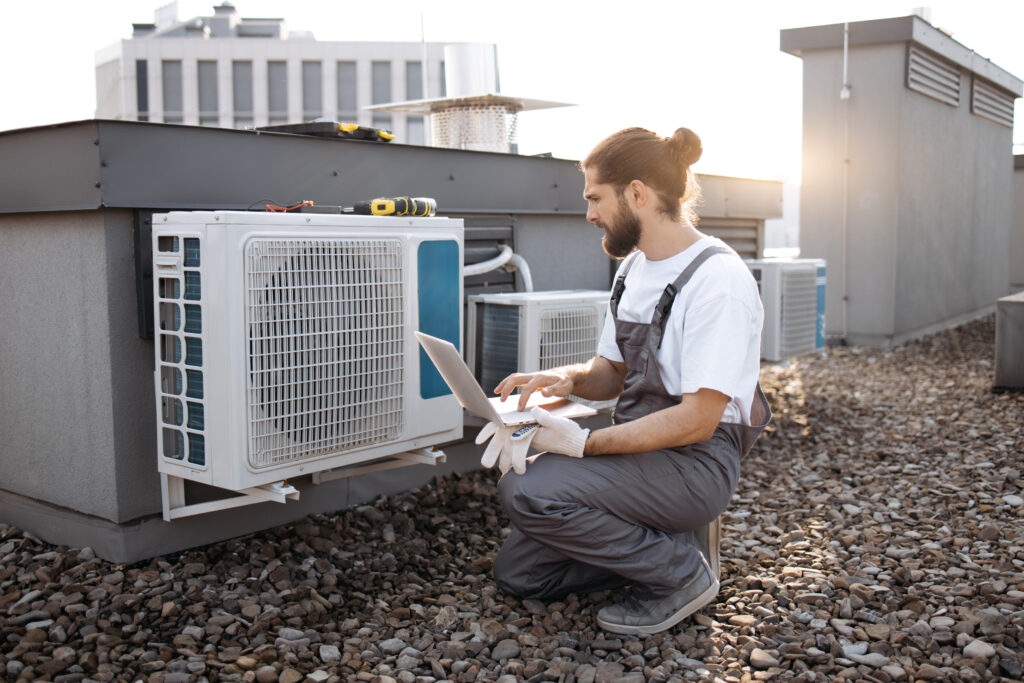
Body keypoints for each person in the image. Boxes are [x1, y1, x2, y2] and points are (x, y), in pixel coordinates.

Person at [475, 126, 771, 635]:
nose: (589, 214)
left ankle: (682, 575)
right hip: (639, 452)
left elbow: (699, 419)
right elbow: (609, 374)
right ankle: (667, 542)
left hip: (694, 463)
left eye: (595, 198)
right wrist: (561, 380)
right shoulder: (634, 268)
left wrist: (583, 444)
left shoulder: (717, 281)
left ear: (637, 193)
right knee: (521, 575)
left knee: (529, 493)